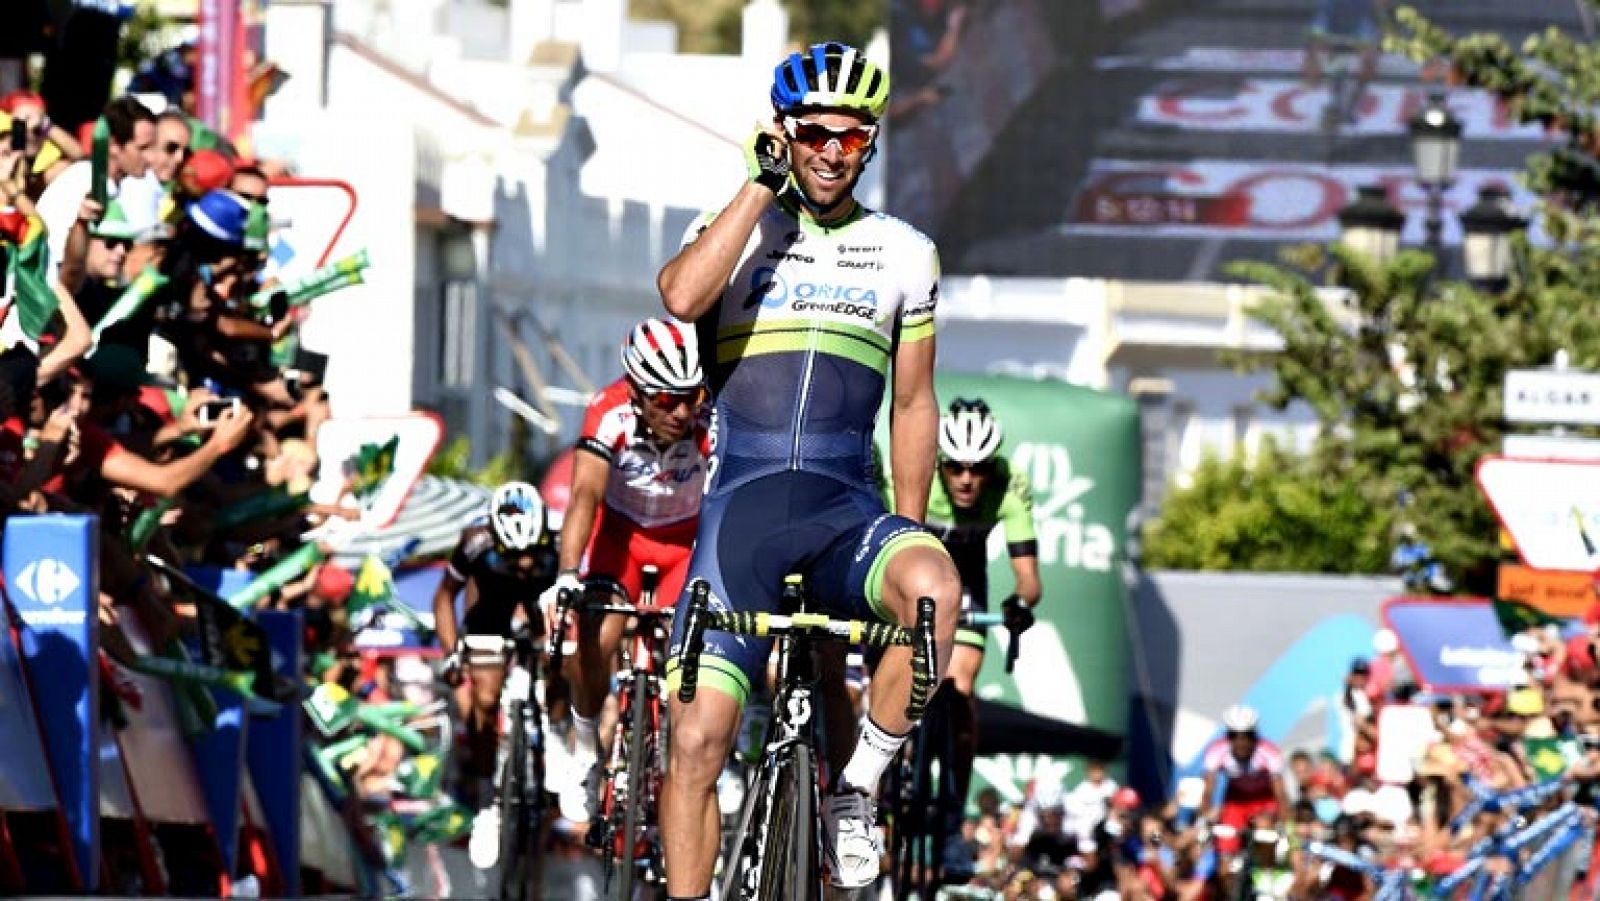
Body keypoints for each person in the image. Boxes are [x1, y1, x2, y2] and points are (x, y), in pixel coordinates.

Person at [655, 41, 962, 896]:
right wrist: (757, 186)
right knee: (696, 741)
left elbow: (911, 405)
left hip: (844, 511)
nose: (833, 150)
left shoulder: (906, 252)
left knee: (935, 588)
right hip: (741, 517)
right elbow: (680, 297)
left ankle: (854, 789)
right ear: (784, 133)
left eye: (853, 137)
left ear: (871, 143)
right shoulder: (734, 231)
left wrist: (911, 522)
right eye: (815, 132)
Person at [538, 317, 712, 820]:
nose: (681, 411)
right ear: (636, 391)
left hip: (685, 543)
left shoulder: (710, 417)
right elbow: (585, 495)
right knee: (596, 638)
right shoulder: (607, 412)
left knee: (696, 657)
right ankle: (589, 749)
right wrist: (567, 574)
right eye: (665, 400)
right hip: (622, 541)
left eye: (691, 396)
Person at [884, 396, 1042, 878]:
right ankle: (884, 788)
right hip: (911, 572)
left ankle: (951, 819)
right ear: (941, 463)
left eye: (978, 468)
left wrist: (1020, 602)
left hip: (967, 580)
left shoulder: (1010, 487)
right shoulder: (916, 476)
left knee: (962, 689)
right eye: (955, 468)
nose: (967, 480)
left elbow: (1029, 579)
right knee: (891, 673)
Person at [430, 481, 559, 868]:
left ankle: (559, 742)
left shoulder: (554, 542)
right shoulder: (475, 543)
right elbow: (442, 598)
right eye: (512, 555)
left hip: (540, 597)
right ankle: (487, 803)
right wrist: (452, 653)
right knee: (485, 699)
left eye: (528, 554)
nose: (521, 562)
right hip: (488, 606)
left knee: (562, 658)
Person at [1200, 706, 1290, 857]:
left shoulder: (1269, 752)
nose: (1241, 742)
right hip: (1236, 801)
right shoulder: (1216, 751)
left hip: (1264, 800)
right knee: (1225, 848)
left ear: (1254, 736)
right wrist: (1205, 815)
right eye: (1234, 736)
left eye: (1247, 736)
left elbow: (1280, 794)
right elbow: (1208, 790)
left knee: (1264, 833)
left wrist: (1283, 822)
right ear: (1228, 737)